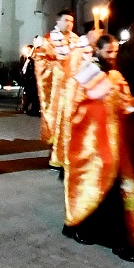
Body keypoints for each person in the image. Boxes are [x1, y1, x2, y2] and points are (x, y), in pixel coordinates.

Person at [60, 33, 134, 262]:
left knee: (119, 191)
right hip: (95, 146)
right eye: (108, 52)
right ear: (97, 51)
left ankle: (119, 235)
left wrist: (133, 104)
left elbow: (121, 102)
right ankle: (113, 238)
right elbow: (77, 106)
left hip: (117, 143)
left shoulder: (116, 75)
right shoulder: (88, 72)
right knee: (103, 190)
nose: (112, 56)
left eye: (115, 52)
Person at [29, 10, 91, 173]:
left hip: (74, 90)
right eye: (66, 20)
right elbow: (40, 61)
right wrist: (58, 68)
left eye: (71, 21)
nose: (69, 23)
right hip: (57, 90)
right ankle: (57, 157)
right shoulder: (49, 40)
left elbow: (85, 61)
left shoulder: (77, 40)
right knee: (58, 124)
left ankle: (68, 157)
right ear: (59, 22)